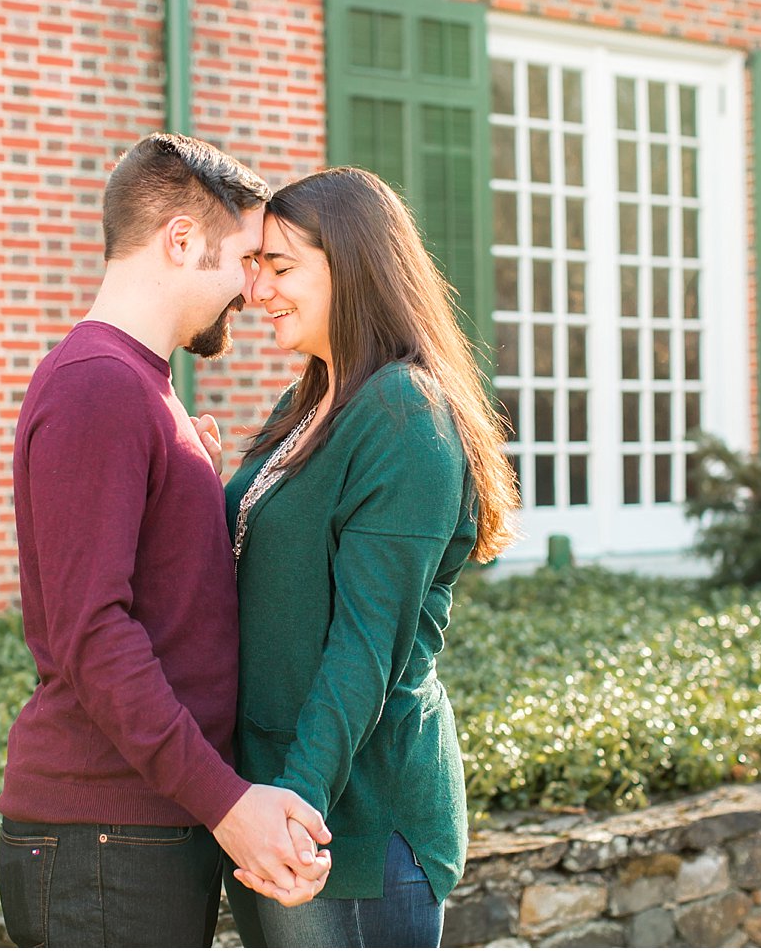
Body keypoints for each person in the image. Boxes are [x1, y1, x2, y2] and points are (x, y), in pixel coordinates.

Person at [0, 134, 331, 949]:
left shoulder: (141, 387)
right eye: (247, 258)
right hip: (103, 839)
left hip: (137, 829)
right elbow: (94, 634)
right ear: (181, 241)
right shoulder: (99, 385)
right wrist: (226, 802)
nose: (254, 289)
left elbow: (167, 602)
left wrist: (193, 495)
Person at [216, 167, 519, 947]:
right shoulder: (312, 398)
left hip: (348, 835)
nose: (258, 293)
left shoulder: (401, 411)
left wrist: (295, 806)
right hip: (279, 806)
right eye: (256, 269)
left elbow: (365, 644)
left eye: (282, 268)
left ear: (353, 265)